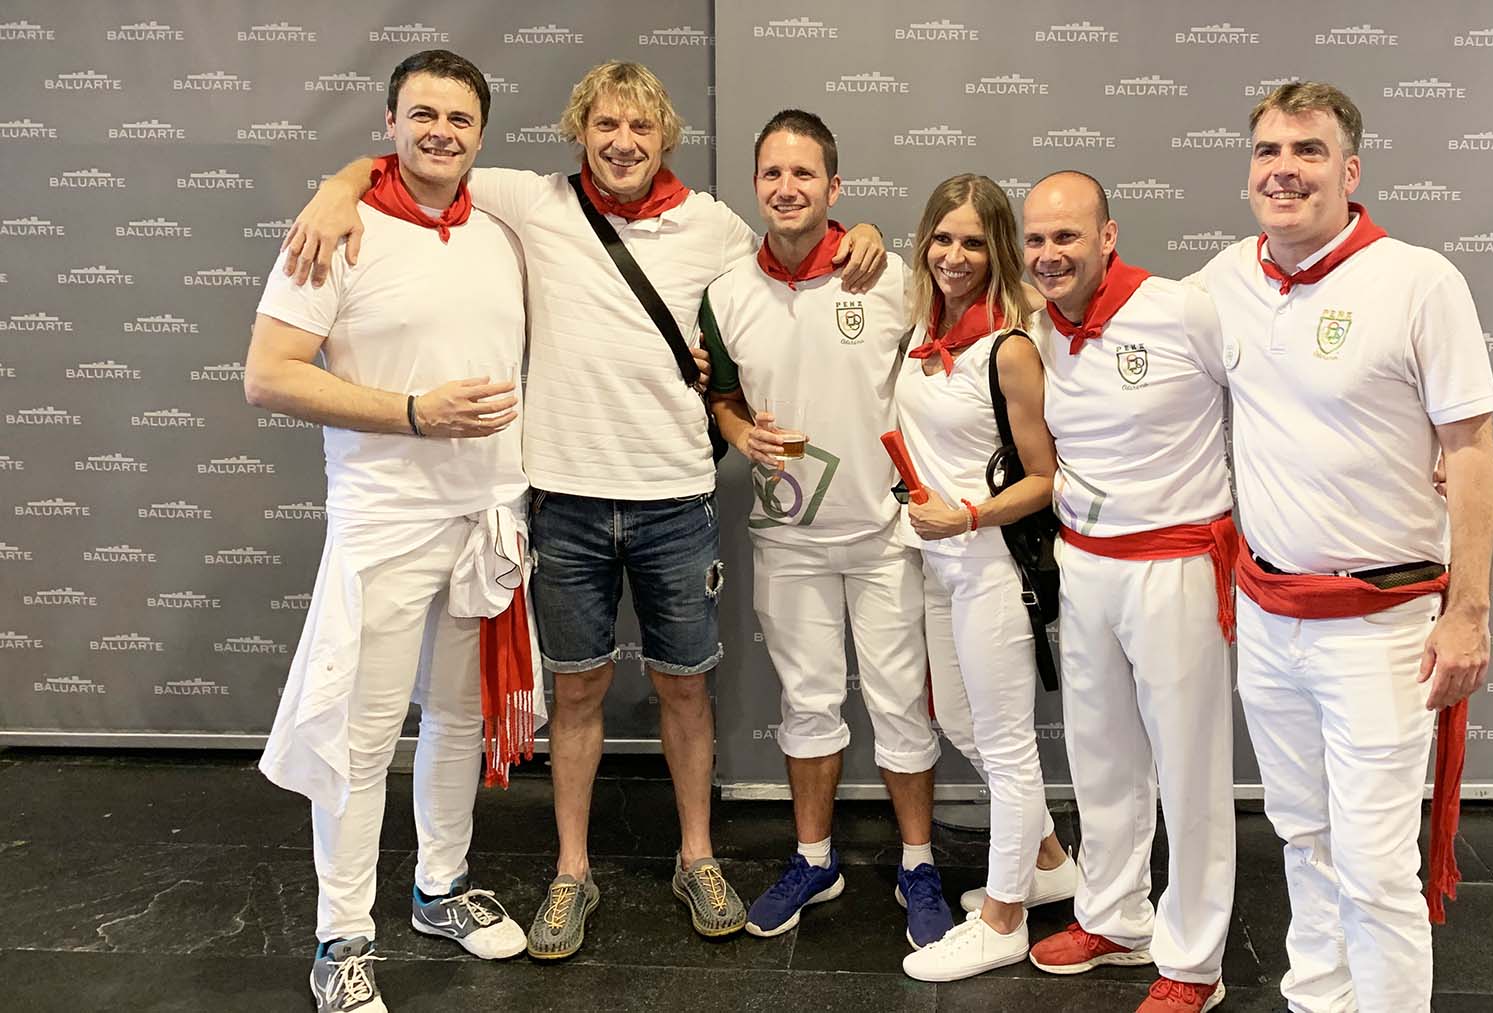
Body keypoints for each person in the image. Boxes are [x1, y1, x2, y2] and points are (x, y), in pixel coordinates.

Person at [279, 63, 888, 956]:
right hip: (561, 499)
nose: (623, 142)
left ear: (664, 136)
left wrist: (859, 229)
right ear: (580, 130)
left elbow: (788, 246)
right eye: (606, 124)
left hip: (676, 495)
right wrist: (338, 186)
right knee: (577, 690)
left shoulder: (712, 224)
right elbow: (421, 163)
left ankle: (697, 858)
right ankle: (571, 871)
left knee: (686, 688)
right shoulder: (532, 202)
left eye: (641, 127)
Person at [1192, 81, 1493, 1012]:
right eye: (1268, 151)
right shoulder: (1222, 282)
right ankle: (1316, 999)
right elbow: (1117, 341)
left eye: (1309, 150)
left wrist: (1469, 612)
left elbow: (1473, 451)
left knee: (1372, 863)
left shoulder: (1418, 279)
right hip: (1269, 612)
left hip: (1383, 627)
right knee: (1303, 834)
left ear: (1350, 170)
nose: (1284, 169)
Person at [248, 50, 533, 1013]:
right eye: (423, 115)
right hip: (386, 522)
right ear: (390, 122)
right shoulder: (337, 230)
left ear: (481, 136)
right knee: (360, 737)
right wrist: (414, 412)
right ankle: (342, 937)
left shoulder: (499, 232)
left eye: (459, 118)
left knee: (456, 717)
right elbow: (271, 373)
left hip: (488, 518)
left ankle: (439, 889)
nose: (441, 132)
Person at [701, 109, 953, 950]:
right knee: (807, 704)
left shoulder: (889, 277)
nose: (786, 188)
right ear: (755, 184)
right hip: (787, 539)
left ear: (834, 188)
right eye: (772, 174)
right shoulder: (729, 292)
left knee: (899, 708)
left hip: (886, 535)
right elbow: (722, 394)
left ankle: (919, 863)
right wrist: (738, 433)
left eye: (804, 174)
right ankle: (815, 858)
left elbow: (945, 379)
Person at [1019, 172, 1236, 1013]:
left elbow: (1268, 392)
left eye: (1067, 237)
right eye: (1036, 239)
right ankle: (1113, 916)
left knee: (1188, 765)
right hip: (1085, 562)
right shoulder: (1039, 327)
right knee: (1102, 752)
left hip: (1177, 563)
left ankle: (1195, 961)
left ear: (1108, 236)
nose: (1049, 254)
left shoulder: (1182, 308)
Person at [889, 173, 1075, 981]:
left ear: (996, 249)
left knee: (1004, 745)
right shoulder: (921, 334)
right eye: (943, 237)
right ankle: (1048, 860)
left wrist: (966, 515)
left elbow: (1046, 478)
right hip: (938, 565)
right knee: (961, 725)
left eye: (972, 241)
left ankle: (1004, 918)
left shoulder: (1009, 348)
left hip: (989, 564)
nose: (955, 255)